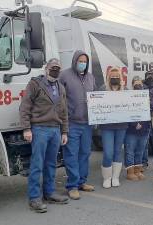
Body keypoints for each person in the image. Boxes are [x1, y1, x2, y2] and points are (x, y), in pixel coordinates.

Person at [20, 58, 69, 213]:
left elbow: (64, 112)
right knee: (37, 164)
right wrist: (26, 129)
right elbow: (25, 106)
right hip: (39, 129)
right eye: (53, 67)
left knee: (51, 164)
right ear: (46, 69)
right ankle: (34, 198)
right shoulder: (35, 84)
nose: (55, 70)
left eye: (58, 68)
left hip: (55, 130)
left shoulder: (61, 87)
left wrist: (64, 131)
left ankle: (49, 193)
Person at [59, 50, 96, 200]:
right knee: (71, 154)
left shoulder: (90, 77)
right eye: (80, 61)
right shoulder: (65, 75)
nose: (83, 63)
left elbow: (96, 96)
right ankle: (72, 186)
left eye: (85, 61)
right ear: (75, 61)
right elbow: (59, 98)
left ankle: (82, 182)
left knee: (85, 153)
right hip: (72, 122)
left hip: (87, 123)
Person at [99, 67, 127, 188]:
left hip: (121, 126)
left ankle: (115, 177)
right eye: (112, 77)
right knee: (108, 152)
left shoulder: (125, 90)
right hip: (107, 127)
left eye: (117, 76)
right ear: (108, 78)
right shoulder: (102, 89)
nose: (114, 78)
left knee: (117, 151)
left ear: (120, 78)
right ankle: (107, 177)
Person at [125, 76, 150, 181]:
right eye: (135, 83)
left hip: (144, 129)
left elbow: (150, 110)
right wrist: (134, 123)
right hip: (132, 130)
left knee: (140, 150)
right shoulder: (128, 97)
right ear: (132, 84)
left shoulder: (147, 96)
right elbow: (125, 112)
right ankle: (130, 172)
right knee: (130, 151)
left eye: (140, 83)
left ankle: (137, 170)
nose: (138, 85)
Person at [142, 70, 153, 169]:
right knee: (145, 141)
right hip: (145, 117)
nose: (150, 77)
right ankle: (144, 163)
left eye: (152, 76)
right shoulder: (141, 88)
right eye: (148, 76)